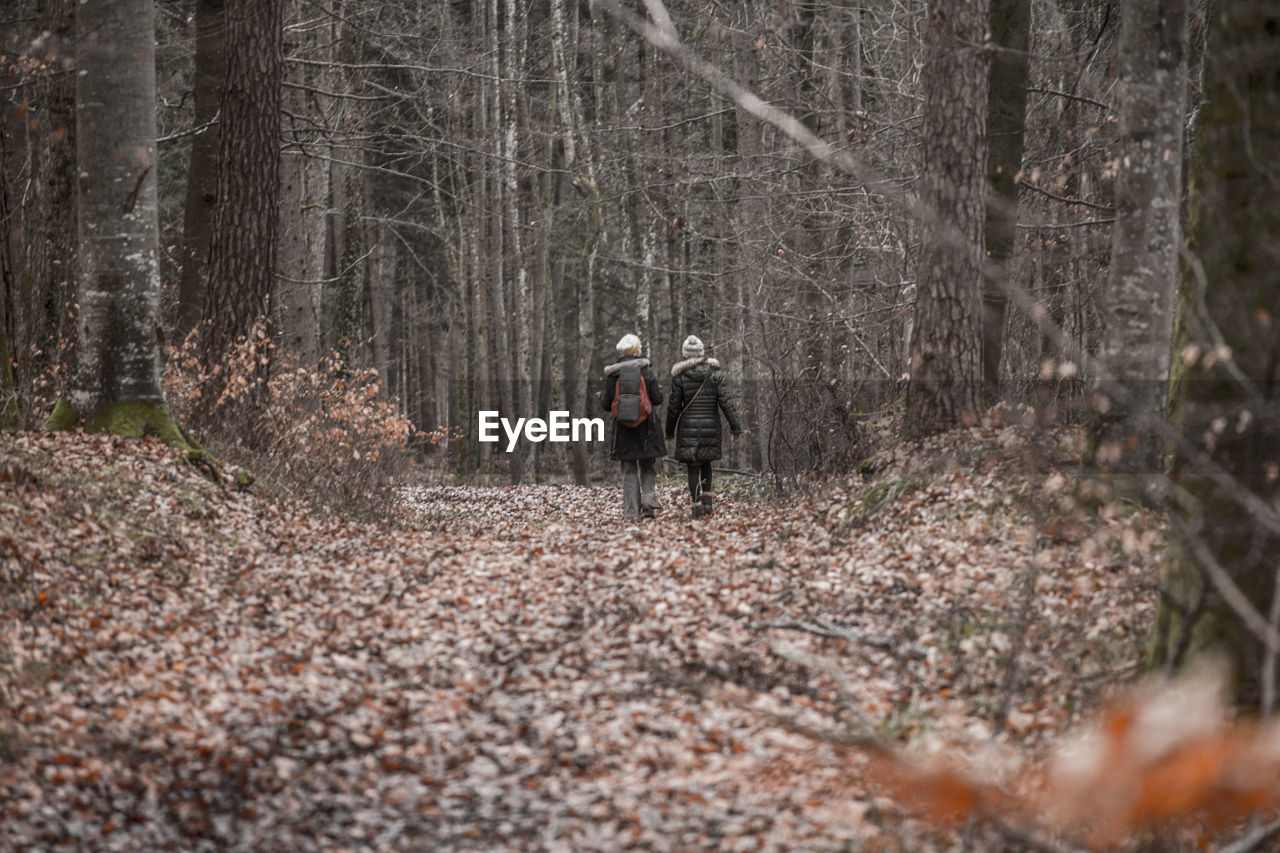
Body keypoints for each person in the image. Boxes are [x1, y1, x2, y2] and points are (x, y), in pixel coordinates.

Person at [666, 335, 743, 519]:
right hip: (711, 425)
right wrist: (735, 427)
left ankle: (697, 506)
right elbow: (727, 402)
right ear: (701, 352)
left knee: (693, 467)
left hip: (688, 426)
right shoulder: (715, 374)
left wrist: (669, 431)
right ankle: (708, 503)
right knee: (706, 463)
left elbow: (674, 406)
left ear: (685, 354)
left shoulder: (680, 377)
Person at [599, 333, 666, 520]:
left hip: (623, 429)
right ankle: (648, 505)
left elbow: (606, 404)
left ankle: (630, 512)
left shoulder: (614, 374)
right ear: (637, 351)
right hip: (647, 429)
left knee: (628, 470)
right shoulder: (646, 371)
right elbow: (658, 400)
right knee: (647, 467)